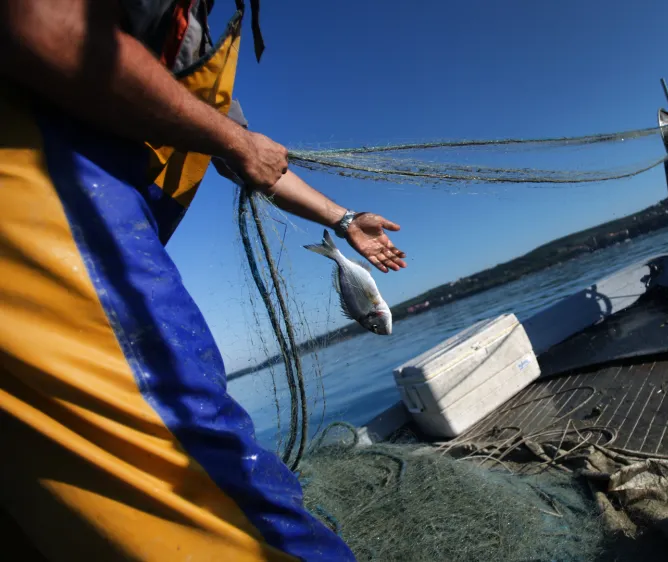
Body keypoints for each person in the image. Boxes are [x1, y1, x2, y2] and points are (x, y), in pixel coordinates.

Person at [0, 1, 404, 560]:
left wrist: (343, 222)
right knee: (207, 477)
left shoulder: (202, 35)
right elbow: (42, 24)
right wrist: (233, 141)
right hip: (44, 198)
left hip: (74, 218)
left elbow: (249, 158)